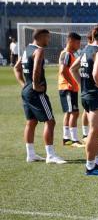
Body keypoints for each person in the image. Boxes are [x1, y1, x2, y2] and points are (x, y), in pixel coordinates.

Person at [14, 29, 66, 164]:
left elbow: (16, 68)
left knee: (31, 122)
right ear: (41, 37)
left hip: (26, 91)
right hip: (36, 93)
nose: (48, 40)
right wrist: (35, 85)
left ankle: (30, 154)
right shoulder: (39, 50)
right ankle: (50, 155)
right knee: (50, 121)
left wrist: (24, 85)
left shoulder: (27, 49)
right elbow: (36, 68)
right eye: (47, 38)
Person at [71, 25, 98, 175]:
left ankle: (97, 161)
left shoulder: (86, 49)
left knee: (95, 131)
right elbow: (95, 74)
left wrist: (83, 85)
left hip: (86, 96)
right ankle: (90, 166)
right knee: (94, 132)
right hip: (95, 97)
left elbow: (73, 69)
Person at [58, 32, 83, 147]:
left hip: (69, 87)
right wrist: (70, 83)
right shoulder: (67, 54)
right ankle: (73, 140)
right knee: (74, 112)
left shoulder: (70, 54)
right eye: (77, 42)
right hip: (67, 87)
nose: (79, 45)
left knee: (70, 112)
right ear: (71, 41)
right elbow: (63, 71)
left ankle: (66, 138)